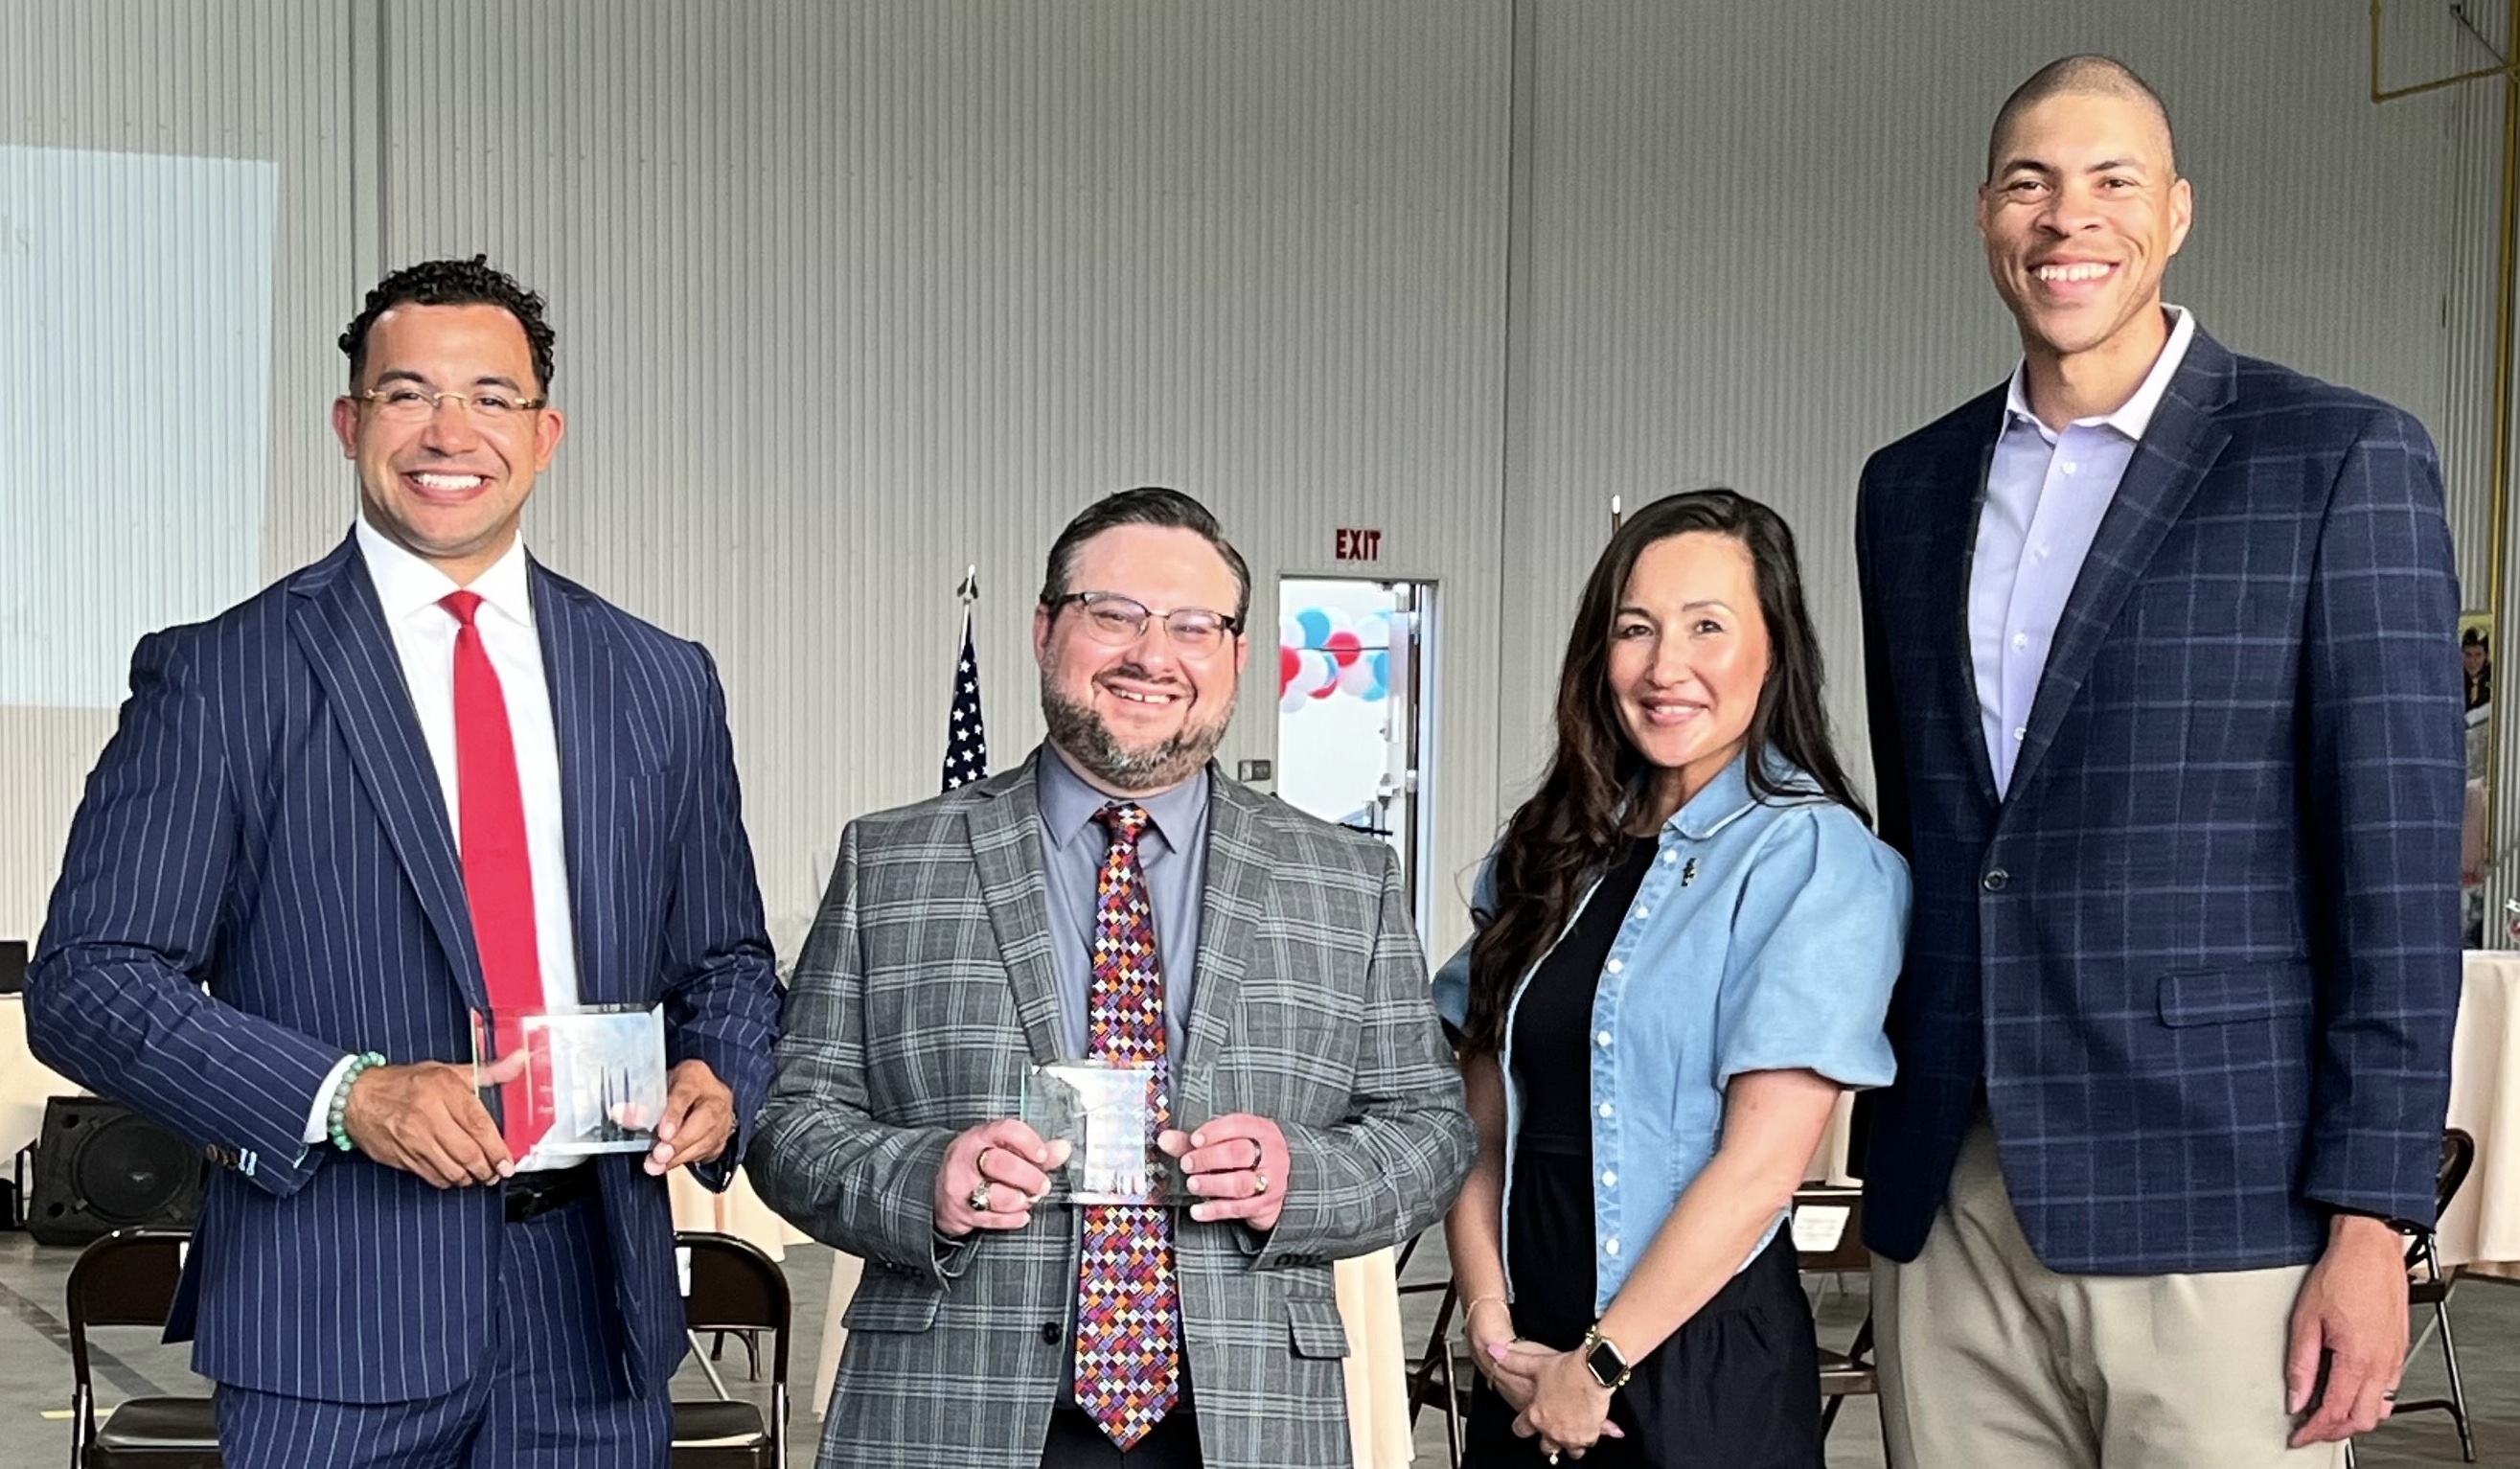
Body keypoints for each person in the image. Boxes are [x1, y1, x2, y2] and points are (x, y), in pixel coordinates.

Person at [26, 256, 782, 1466]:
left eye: (490, 397)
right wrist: (347, 1096)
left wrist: (721, 1069)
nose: (449, 431)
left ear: (545, 434)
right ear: (349, 423)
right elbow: (91, 980)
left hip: (597, 1313)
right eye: (406, 394)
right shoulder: (226, 675)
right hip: (336, 1320)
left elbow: (728, 958)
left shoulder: (659, 680)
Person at [1854, 56, 2463, 1467]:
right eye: (2031, 183)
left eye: (2111, 181)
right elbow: (1937, 836)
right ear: (1985, 216)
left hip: (2223, 1202)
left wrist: (2372, 1222)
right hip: (1953, 1191)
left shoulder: (2334, 458)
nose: (2069, 219)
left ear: (2176, 212)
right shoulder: (1909, 487)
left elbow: (2394, 873)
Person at [750, 486, 1474, 1469]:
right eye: (1113, 615)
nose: (1151, 654)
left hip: (1250, 1421)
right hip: (944, 1415)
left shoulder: (1343, 878)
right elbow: (790, 1124)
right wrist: (926, 1181)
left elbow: (1428, 1132)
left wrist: (1296, 1177)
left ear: (1235, 657)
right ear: (1046, 629)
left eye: (1191, 625)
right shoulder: (894, 861)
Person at [1431, 489, 1908, 1467]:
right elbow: (1474, 1125)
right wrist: (1491, 1333)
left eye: (1706, 627)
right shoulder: (1548, 850)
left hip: (1695, 1369)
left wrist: (1595, 1366)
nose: (1663, 668)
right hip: (1525, 1362)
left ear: (1772, 649)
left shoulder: (1809, 857)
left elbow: (1758, 1170)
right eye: (1634, 629)